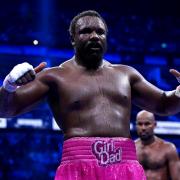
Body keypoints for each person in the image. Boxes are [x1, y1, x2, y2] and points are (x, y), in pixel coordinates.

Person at [0, 10, 179, 180]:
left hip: (125, 166)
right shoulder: (53, 76)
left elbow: (164, 104)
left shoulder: (127, 74)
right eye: (86, 31)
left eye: (100, 32)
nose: (94, 36)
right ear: (72, 38)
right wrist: (9, 85)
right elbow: (7, 110)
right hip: (78, 167)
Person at [135, 110, 180, 180]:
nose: (143, 128)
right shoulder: (131, 149)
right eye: (140, 124)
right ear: (136, 125)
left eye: (147, 124)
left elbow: (176, 178)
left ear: (154, 125)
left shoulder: (168, 148)